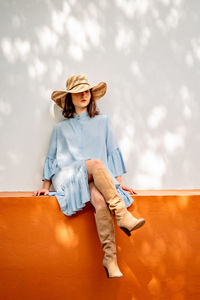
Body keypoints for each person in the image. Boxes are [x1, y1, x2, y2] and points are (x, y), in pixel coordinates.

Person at [33, 74, 145, 278]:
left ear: (91, 95)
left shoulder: (103, 122)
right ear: (70, 98)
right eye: (78, 92)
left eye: (87, 91)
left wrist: (118, 184)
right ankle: (122, 215)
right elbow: (51, 157)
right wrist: (46, 185)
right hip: (68, 176)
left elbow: (112, 151)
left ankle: (110, 259)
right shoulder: (60, 128)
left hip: (95, 177)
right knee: (96, 163)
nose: (84, 95)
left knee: (100, 199)